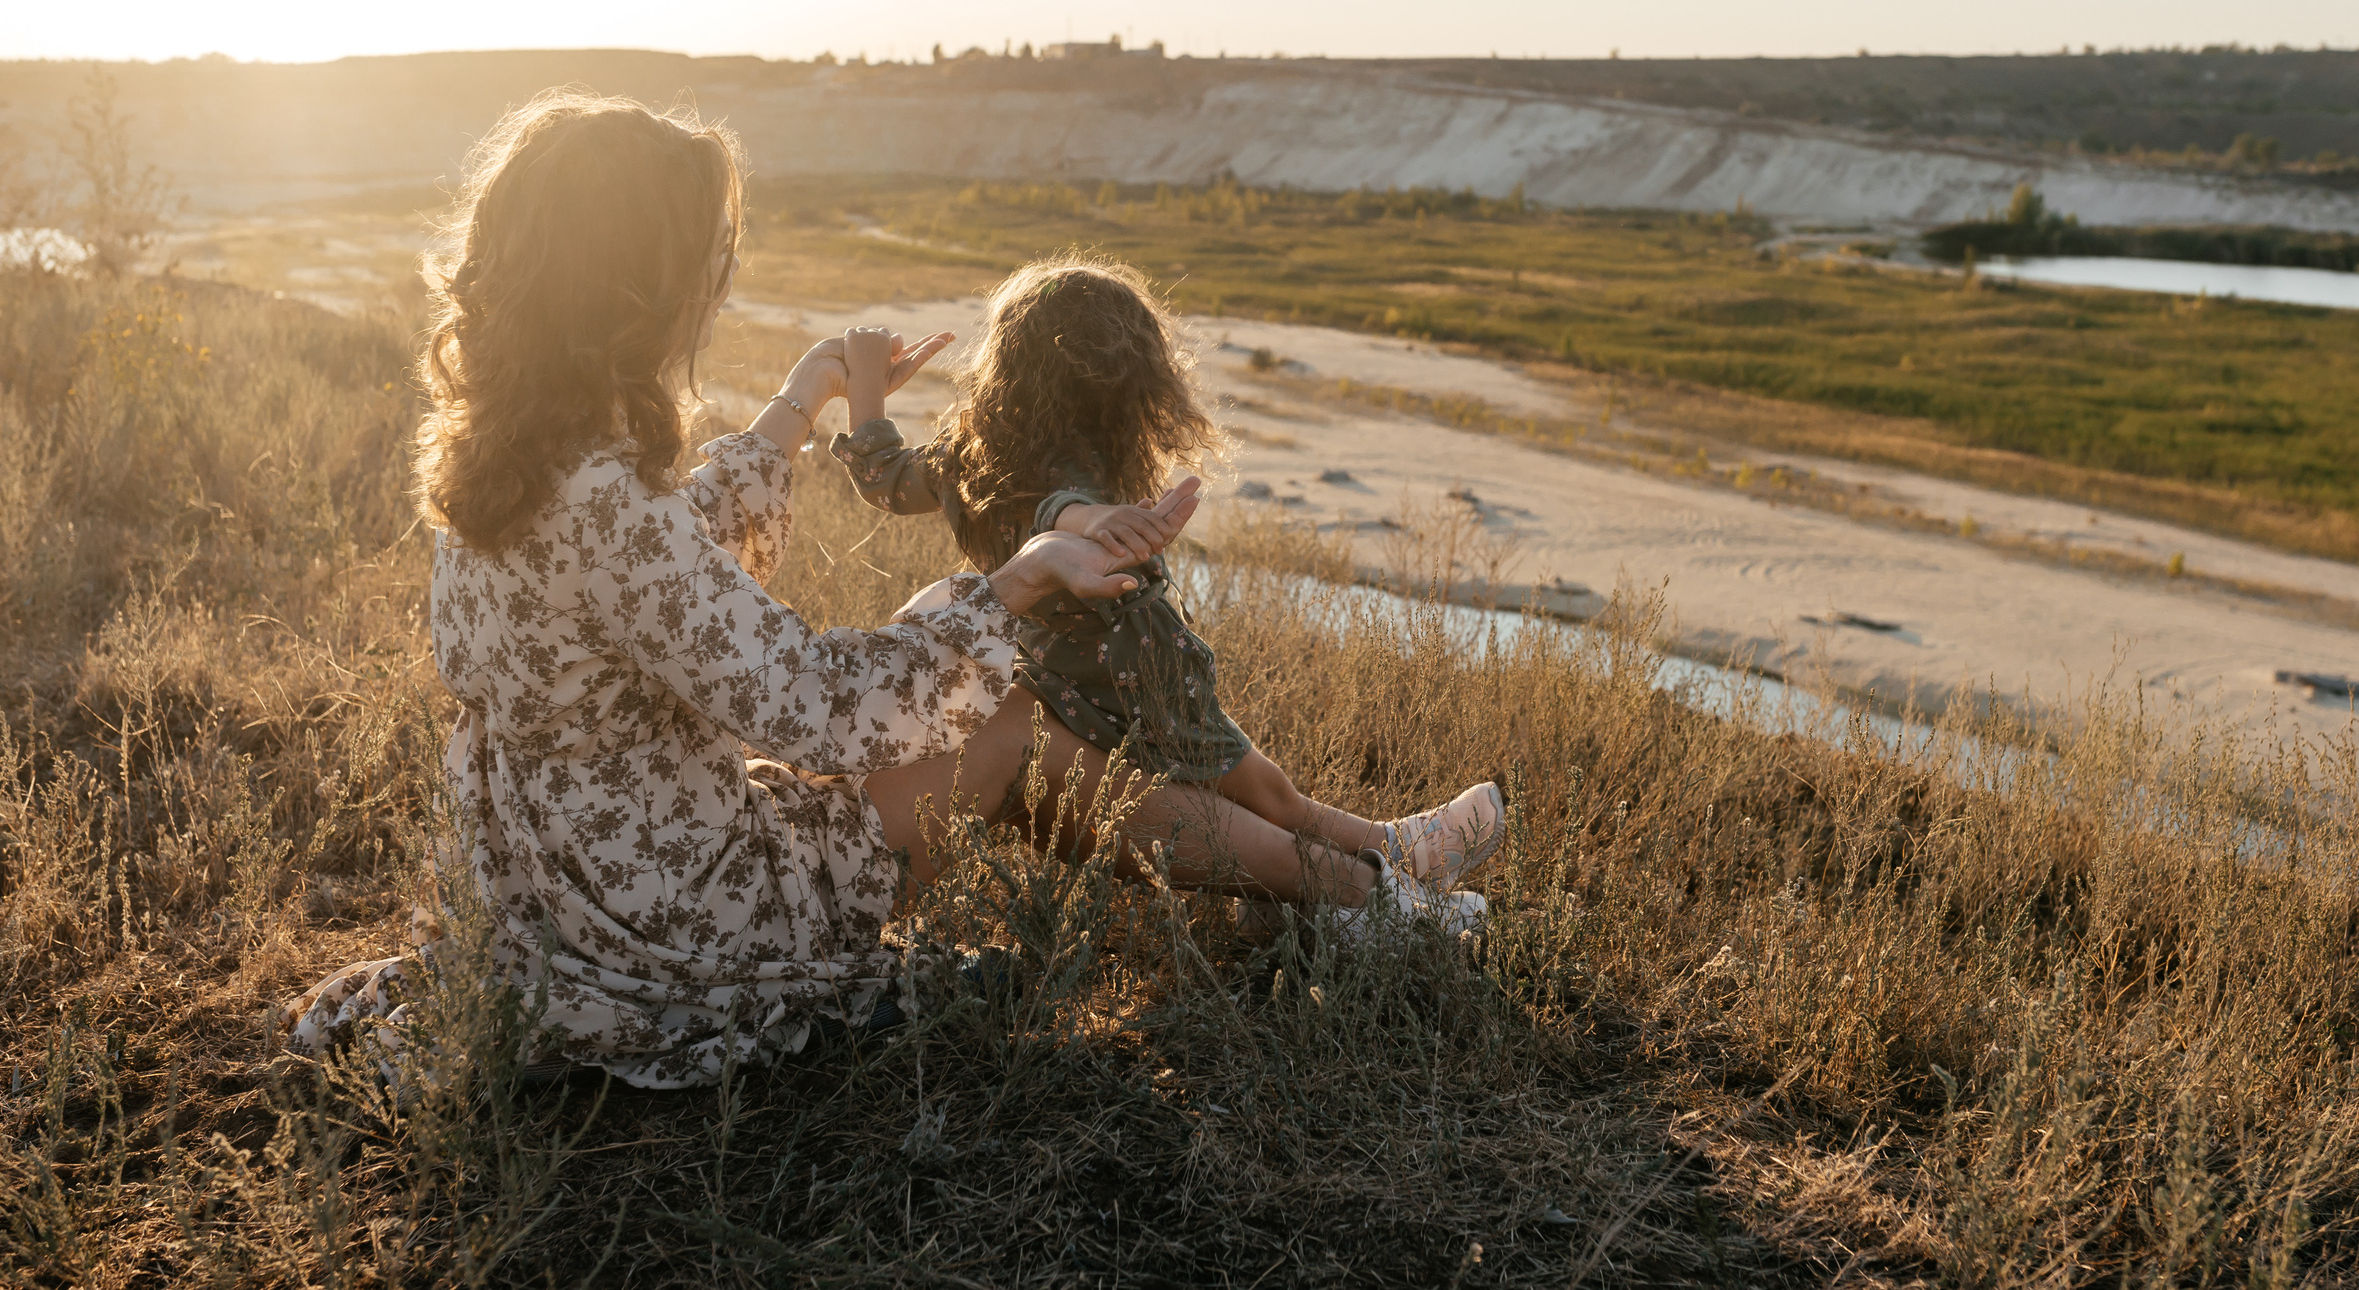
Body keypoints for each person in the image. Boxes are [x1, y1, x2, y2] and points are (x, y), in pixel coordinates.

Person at [284, 93, 1493, 1090]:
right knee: (1011, 724)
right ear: (631, 291)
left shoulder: (514, 459)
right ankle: (1358, 893)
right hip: (669, 905)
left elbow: (675, 567)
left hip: (562, 867)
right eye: (709, 265)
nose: (718, 286)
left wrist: (805, 399)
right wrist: (1018, 582)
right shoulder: (597, 498)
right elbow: (808, 704)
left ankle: (1358, 874)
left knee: (935, 643)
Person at [831, 255, 1505, 903]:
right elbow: (1060, 506)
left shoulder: (962, 458)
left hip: (1053, 682)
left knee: (1216, 808)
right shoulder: (1073, 461)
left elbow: (884, 478)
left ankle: (1358, 878)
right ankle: (1402, 852)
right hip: (1145, 681)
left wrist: (866, 383)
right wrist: (1095, 521)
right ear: (1125, 382)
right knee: (1269, 795)